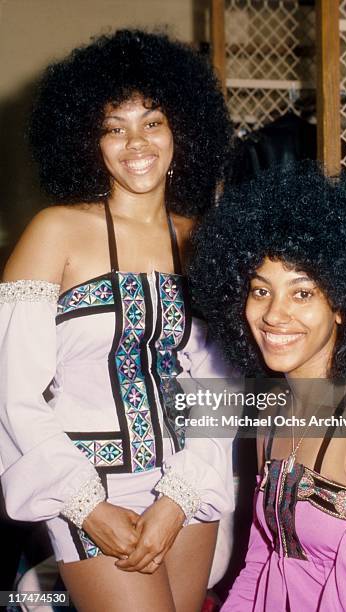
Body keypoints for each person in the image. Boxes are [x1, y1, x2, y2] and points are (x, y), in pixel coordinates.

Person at [0, 29, 235, 612]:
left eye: (152, 122)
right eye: (114, 126)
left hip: (185, 480)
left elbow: (218, 387)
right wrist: (85, 506)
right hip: (86, 485)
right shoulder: (55, 232)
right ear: (89, 141)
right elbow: (12, 394)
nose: (137, 142)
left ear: (182, 129)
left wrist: (178, 497)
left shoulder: (204, 239)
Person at [189, 162, 346, 610]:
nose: (274, 314)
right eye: (259, 290)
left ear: (344, 306)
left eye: (302, 293)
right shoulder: (272, 409)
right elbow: (261, 557)